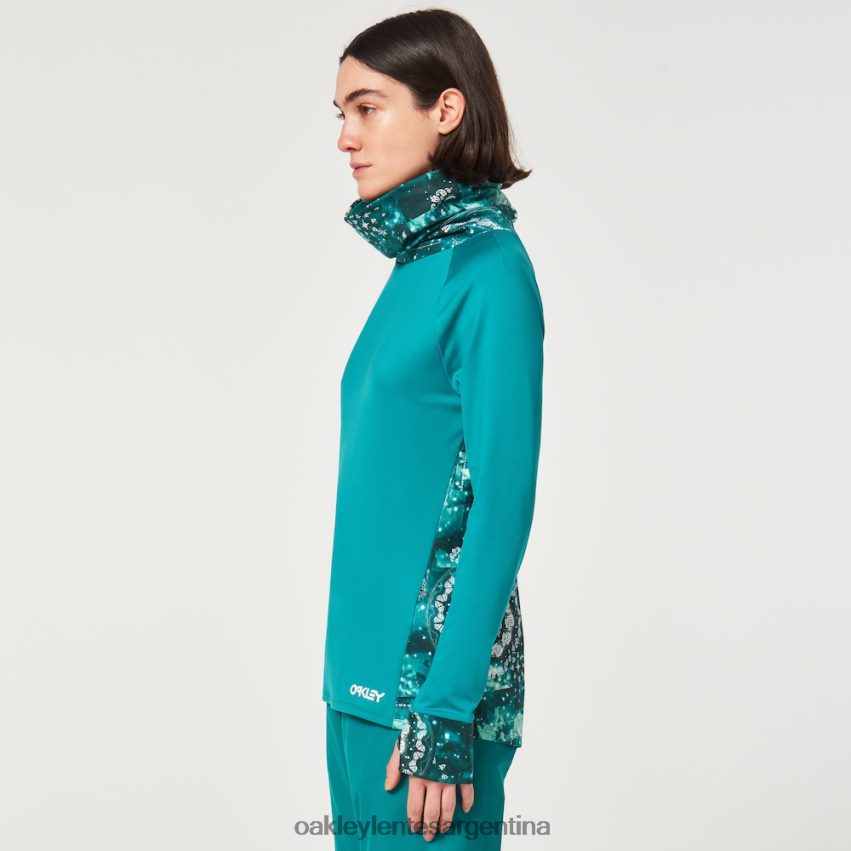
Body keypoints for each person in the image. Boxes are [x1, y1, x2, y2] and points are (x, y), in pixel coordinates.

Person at [322, 9, 545, 849]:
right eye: (340, 113)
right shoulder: (416, 265)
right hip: (356, 683)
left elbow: (502, 501)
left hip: (424, 705)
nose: (345, 137)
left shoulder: (486, 270)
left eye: (367, 107)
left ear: (445, 109)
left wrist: (444, 712)